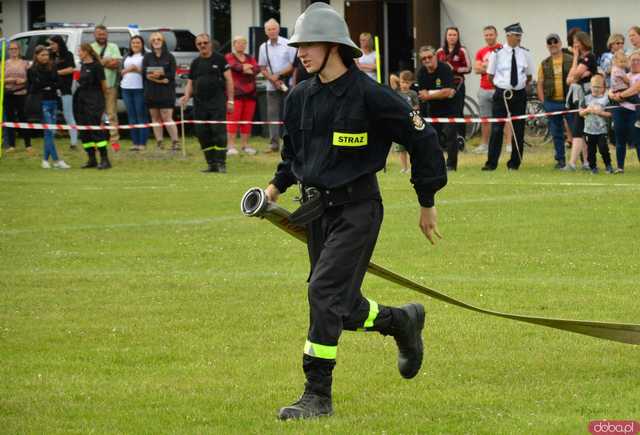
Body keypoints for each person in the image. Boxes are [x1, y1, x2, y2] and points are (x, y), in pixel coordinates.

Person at [262, 3, 447, 420]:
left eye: (308, 44)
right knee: (341, 308)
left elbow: (424, 140)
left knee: (322, 293)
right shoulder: (300, 97)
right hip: (316, 212)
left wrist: (427, 202)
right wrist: (273, 189)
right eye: (298, 45)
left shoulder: (373, 95)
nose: (300, 52)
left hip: (359, 209)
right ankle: (401, 321)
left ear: (334, 47)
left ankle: (317, 394)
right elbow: (293, 154)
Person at [482, 23, 533, 171]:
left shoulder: (525, 53)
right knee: (497, 128)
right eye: (516, 35)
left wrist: (518, 86)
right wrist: (502, 86)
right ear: (508, 36)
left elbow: (528, 76)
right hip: (502, 93)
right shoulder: (497, 53)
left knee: (518, 128)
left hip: (519, 93)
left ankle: (515, 163)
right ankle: (491, 163)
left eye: (520, 36)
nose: (519, 38)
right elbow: (490, 76)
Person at [180, 33, 234, 173]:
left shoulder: (220, 59)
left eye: (205, 43)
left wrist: (231, 100)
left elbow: (229, 80)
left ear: (210, 43)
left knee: (218, 133)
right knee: (202, 133)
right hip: (199, 105)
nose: (203, 45)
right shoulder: (195, 62)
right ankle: (211, 164)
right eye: (199, 44)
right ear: (197, 46)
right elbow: (190, 82)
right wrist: (186, 96)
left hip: (217, 103)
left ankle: (221, 163)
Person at [28, 45, 70, 169]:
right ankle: (56, 160)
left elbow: (59, 83)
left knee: (49, 132)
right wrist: (49, 85)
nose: (45, 57)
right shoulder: (32, 70)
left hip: (53, 101)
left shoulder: (53, 66)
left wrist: (49, 85)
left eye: (47, 55)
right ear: (36, 56)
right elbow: (35, 86)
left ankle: (45, 160)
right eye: (42, 55)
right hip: (42, 102)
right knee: (49, 131)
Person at [416, 46, 459, 171]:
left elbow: (448, 92)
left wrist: (430, 94)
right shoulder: (422, 73)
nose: (427, 60)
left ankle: (451, 165)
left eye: (429, 57)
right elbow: (423, 96)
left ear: (435, 56)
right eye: (424, 58)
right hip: (433, 110)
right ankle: (438, 164)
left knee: (450, 136)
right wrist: (438, 94)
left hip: (450, 108)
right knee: (434, 138)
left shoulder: (444, 69)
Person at [536, 33, 574, 169]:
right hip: (552, 102)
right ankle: (560, 160)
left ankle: (582, 159)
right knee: (556, 133)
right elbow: (539, 84)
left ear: (560, 43)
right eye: (549, 43)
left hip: (569, 102)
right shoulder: (544, 63)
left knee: (577, 132)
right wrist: (543, 102)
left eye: (555, 42)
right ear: (547, 46)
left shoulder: (571, 59)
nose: (553, 45)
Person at [258, 18, 297, 152]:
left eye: (274, 28)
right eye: (269, 29)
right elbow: (262, 67)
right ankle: (274, 144)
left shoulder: (288, 44)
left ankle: (290, 143)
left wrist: (279, 76)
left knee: (289, 114)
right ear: (265, 31)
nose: (272, 31)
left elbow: (294, 65)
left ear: (278, 29)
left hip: (288, 84)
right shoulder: (263, 47)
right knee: (272, 116)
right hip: (271, 86)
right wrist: (273, 80)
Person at [473, 25, 511, 154]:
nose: (489, 37)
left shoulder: (503, 49)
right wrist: (491, 67)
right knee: (485, 119)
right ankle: (484, 145)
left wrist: (486, 66)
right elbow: (476, 69)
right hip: (484, 89)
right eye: (486, 35)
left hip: (499, 89)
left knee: (504, 118)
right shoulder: (481, 51)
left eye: (491, 34)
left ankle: (509, 144)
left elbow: (504, 68)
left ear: (496, 35)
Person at [564, 31, 598, 171]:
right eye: (574, 42)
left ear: (583, 41)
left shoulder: (589, 57)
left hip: (589, 99)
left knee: (578, 130)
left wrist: (576, 74)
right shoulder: (580, 58)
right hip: (580, 99)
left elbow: (575, 75)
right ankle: (586, 162)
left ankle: (572, 163)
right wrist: (576, 58)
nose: (575, 44)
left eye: (577, 41)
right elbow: (569, 79)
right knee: (582, 130)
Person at [74, 43, 111, 169]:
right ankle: (91, 159)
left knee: (95, 130)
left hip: (94, 101)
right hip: (81, 100)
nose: (78, 53)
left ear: (86, 52)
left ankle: (105, 160)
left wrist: (103, 104)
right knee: (84, 132)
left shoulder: (97, 66)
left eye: (80, 51)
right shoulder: (83, 65)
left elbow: (104, 86)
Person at [143, 32, 180, 151]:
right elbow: (144, 72)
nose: (156, 41)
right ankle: (159, 142)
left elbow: (172, 74)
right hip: (151, 91)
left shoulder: (170, 57)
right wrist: (153, 74)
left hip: (166, 90)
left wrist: (162, 75)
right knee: (155, 118)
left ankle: (175, 142)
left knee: (167, 116)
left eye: (158, 39)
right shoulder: (147, 57)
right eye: (153, 40)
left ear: (163, 41)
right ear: (151, 43)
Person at [225, 35, 259, 156]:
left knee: (247, 121)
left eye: (244, 43)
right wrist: (245, 67)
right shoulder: (229, 57)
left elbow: (256, 69)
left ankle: (245, 145)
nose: (241, 45)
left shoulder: (250, 57)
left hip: (250, 95)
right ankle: (231, 146)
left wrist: (247, 68)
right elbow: (236, 66)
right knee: (233, 120)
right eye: (239, 43)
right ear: (234, 45)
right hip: (235, 94)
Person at [436, 27, 471, 145]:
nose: (452, 37)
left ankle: (461, 139)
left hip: (458, 85)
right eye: (449, 35)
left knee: (458, 112)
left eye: (454, 35)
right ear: (446, 36)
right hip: (443, 86)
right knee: (443, 112)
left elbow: (469, 68)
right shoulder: (440, 51)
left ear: (458, 36)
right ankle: (443, 139)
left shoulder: (462, 50)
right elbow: (434, 67)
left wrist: (454, 68)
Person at [608, 50, 640, 173]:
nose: (635, 62)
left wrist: (620, 95)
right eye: (633, 60)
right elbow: (611, 88)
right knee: (619, 139)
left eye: (638, 60)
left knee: (638, 140)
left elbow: (635, 89)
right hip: (619, 110)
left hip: (635, 112)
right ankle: (620, 167)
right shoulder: (623, 74)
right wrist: (611, 94)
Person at [91, 25, 122, 151]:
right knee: (96, 115)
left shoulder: (113, 47)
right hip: (95, 87)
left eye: (104, 34)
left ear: (107, 35)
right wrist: (107, 62)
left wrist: (100, 62)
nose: (102, 37)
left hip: (110, 86)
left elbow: (117, 64)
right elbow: (91, 65)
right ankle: (98, 140)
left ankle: (114, 140)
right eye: (99, 34)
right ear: (95, 35)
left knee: (111, 114)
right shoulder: (90, 47)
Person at [49, 35, 79, 150]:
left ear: (59, 43)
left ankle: (74, 142)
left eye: (53, 44)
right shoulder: (50, 55)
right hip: (52, 88)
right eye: (50, 44)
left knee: (68, 115)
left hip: (65, 88)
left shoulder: (68, 54)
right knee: (52, 114)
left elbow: (71, 69)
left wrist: (56, 73)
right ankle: (50, 139)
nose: (51, 46)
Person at [579, 74, 613, 174]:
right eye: (594, 86)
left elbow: (610, 113)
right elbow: (580, 112)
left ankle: (608, 165)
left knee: (603, 148)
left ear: (603, 88)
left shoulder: (606, 99)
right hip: (589, 130)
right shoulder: (586, 98)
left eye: (598, 87)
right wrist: (587, 110)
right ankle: (593, 167)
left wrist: (600, 112)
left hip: (602, 130)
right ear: (590, 86)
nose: (596, 89)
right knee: (591, 151)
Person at [121, 35, 149, 151]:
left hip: (140, 88)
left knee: (141, 116)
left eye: (138, 43)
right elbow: (121, 71)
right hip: (126, 88)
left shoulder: (146, 56)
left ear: (142, 44)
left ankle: (142, 143)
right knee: (131, 117)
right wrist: (126, 70)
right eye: (133, 43)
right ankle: (135, 142)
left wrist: (136, 69)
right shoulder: (127, 56)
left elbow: (149, 72)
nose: (135, 45)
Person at [3, 41, 32, 153]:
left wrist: (23, 80)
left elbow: (30, 79)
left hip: (22, 94)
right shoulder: (4, 64)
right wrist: (9, 80)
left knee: (23, 118)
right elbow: (1, 80)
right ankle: (12, 145)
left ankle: (28, 145)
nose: (13, 51)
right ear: (8, 51)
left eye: (15, 48)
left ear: (19, 50)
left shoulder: (25, 63)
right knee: (10, 119)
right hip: (8, 94)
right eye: (11, 49)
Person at [395, 70, 419, 173]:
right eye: (402, 82)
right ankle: (404, 167)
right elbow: (391, 78)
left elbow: (417, 106)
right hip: (399, 123)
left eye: (407, 82)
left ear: (411, 83)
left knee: (411, 146)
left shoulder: (413, 93)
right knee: (401, 148)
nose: (404, 85)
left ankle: (412, 166)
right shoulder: (396, 93)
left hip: (410, 122)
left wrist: (410, 110)